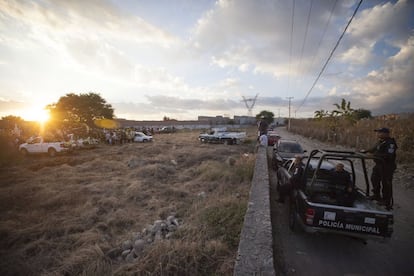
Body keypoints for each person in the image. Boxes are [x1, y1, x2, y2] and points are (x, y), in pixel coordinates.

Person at [364, 127, 397, 210]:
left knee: (386, 183)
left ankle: (386, 200)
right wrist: (364, 151)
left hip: (387, 166)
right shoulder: (380, 142)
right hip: (379, 164)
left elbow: (389, 155)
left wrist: (374, 156)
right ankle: (376, 195)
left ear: (386, 134)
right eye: (378, 132)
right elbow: (373, 149)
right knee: (374, 178)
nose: (378, 134)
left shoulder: (390, 143)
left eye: (380, 132)